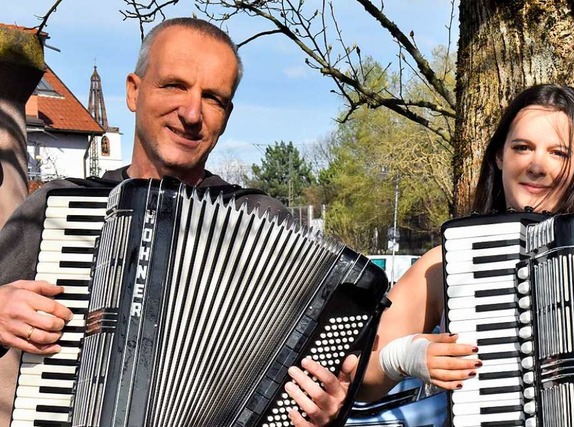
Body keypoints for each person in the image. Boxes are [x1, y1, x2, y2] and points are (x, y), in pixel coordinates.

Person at [0, 17, 353, 427]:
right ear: (134, 91)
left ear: (227, 115)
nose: (191, 113)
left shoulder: (263, 220)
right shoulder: (57, 208)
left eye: (213, 98)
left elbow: (305, 385)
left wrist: (325, 411)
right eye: (175, 86)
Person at [356, 83, 574, 402]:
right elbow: (361, 380)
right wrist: (404, 357)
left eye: (558, 153)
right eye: (523, 147)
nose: (537, 166)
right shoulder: (443, 263)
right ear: (499, 156)